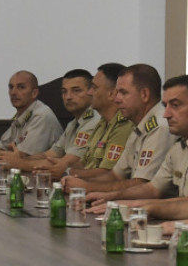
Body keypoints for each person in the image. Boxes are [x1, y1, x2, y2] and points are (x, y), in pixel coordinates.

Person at [86, 74, 188, 216]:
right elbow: (153, 189)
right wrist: (111, 198)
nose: (166, 114)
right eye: (166, 106)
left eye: (175, 105)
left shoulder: (160, 128)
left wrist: (143, 208)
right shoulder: (178, 148)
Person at [64, 63, 172, 195]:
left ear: (144, 95)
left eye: (123, 92)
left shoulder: (159, 127)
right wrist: (77, 181)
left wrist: (87, 187)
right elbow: (115, 175)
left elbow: (141, 184)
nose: (116, 99)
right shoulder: (139, 125)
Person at [0, 69, 99, 175]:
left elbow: (66, 163)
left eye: (76, 90)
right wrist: (19, 159)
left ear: (92, 92)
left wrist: (19, 163)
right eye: (64, 92)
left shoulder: (93, 122)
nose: (68, 97)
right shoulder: (73, 124)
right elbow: (50, 154)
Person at [0, 71, 63, 160]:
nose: (13, 92)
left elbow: (23, 157)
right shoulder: (22, 116)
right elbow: (2, 147)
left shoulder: (41, 116)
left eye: (21, 87)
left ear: (34, 93)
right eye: (11, 87)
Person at [65, 63, 134, 177]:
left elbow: (107, 173)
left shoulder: (124, 125)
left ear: (112, 94)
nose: (89, 92)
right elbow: (84, 162)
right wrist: (62, 169)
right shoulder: (102, 122)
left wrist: (69, 174)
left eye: (94, 88)